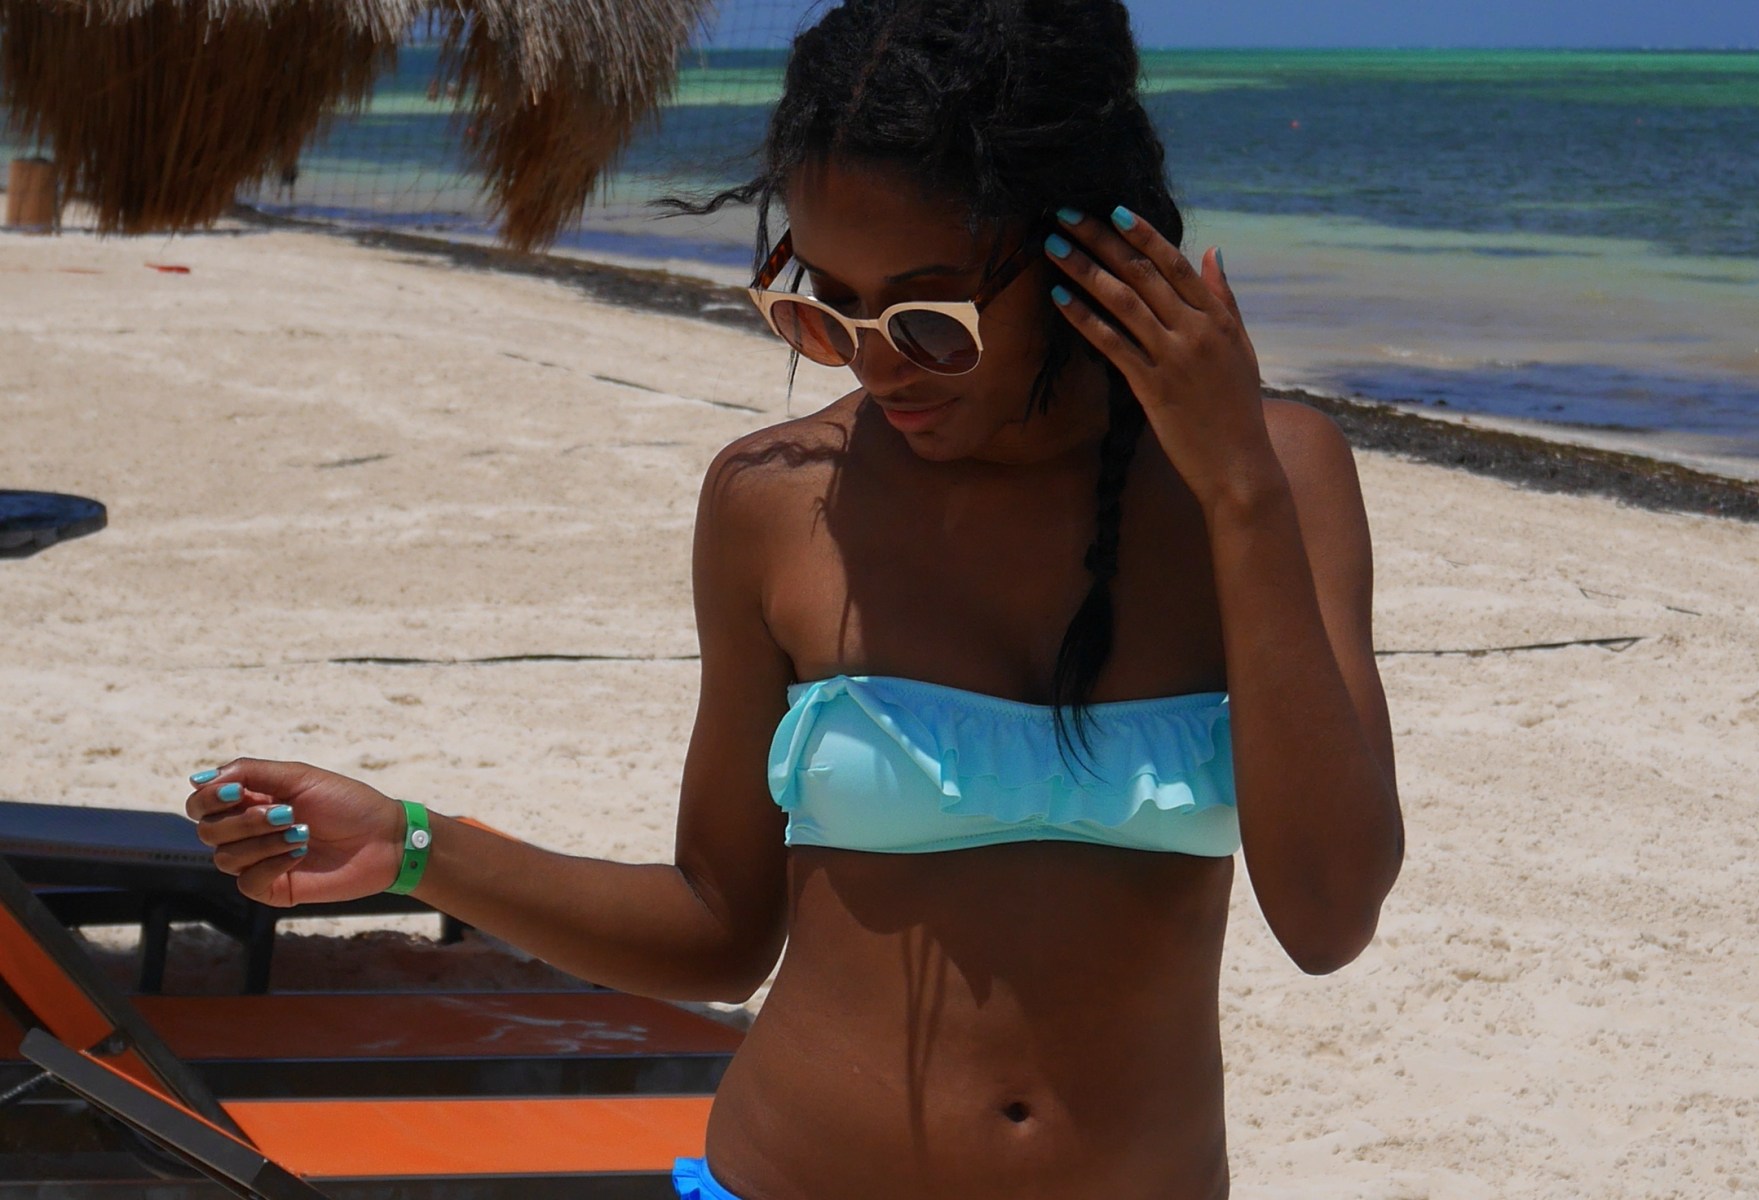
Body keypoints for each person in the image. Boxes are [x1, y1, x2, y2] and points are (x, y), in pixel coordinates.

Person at [183, 2, 1403, 1196]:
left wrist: (1237, 492)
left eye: (928, 318)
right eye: (825, 306)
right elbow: (717, 927)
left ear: (1080, 260)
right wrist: (410, 848)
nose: (876, 364)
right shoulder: (776, 502)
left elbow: (1327, 914)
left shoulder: (1270, 478)